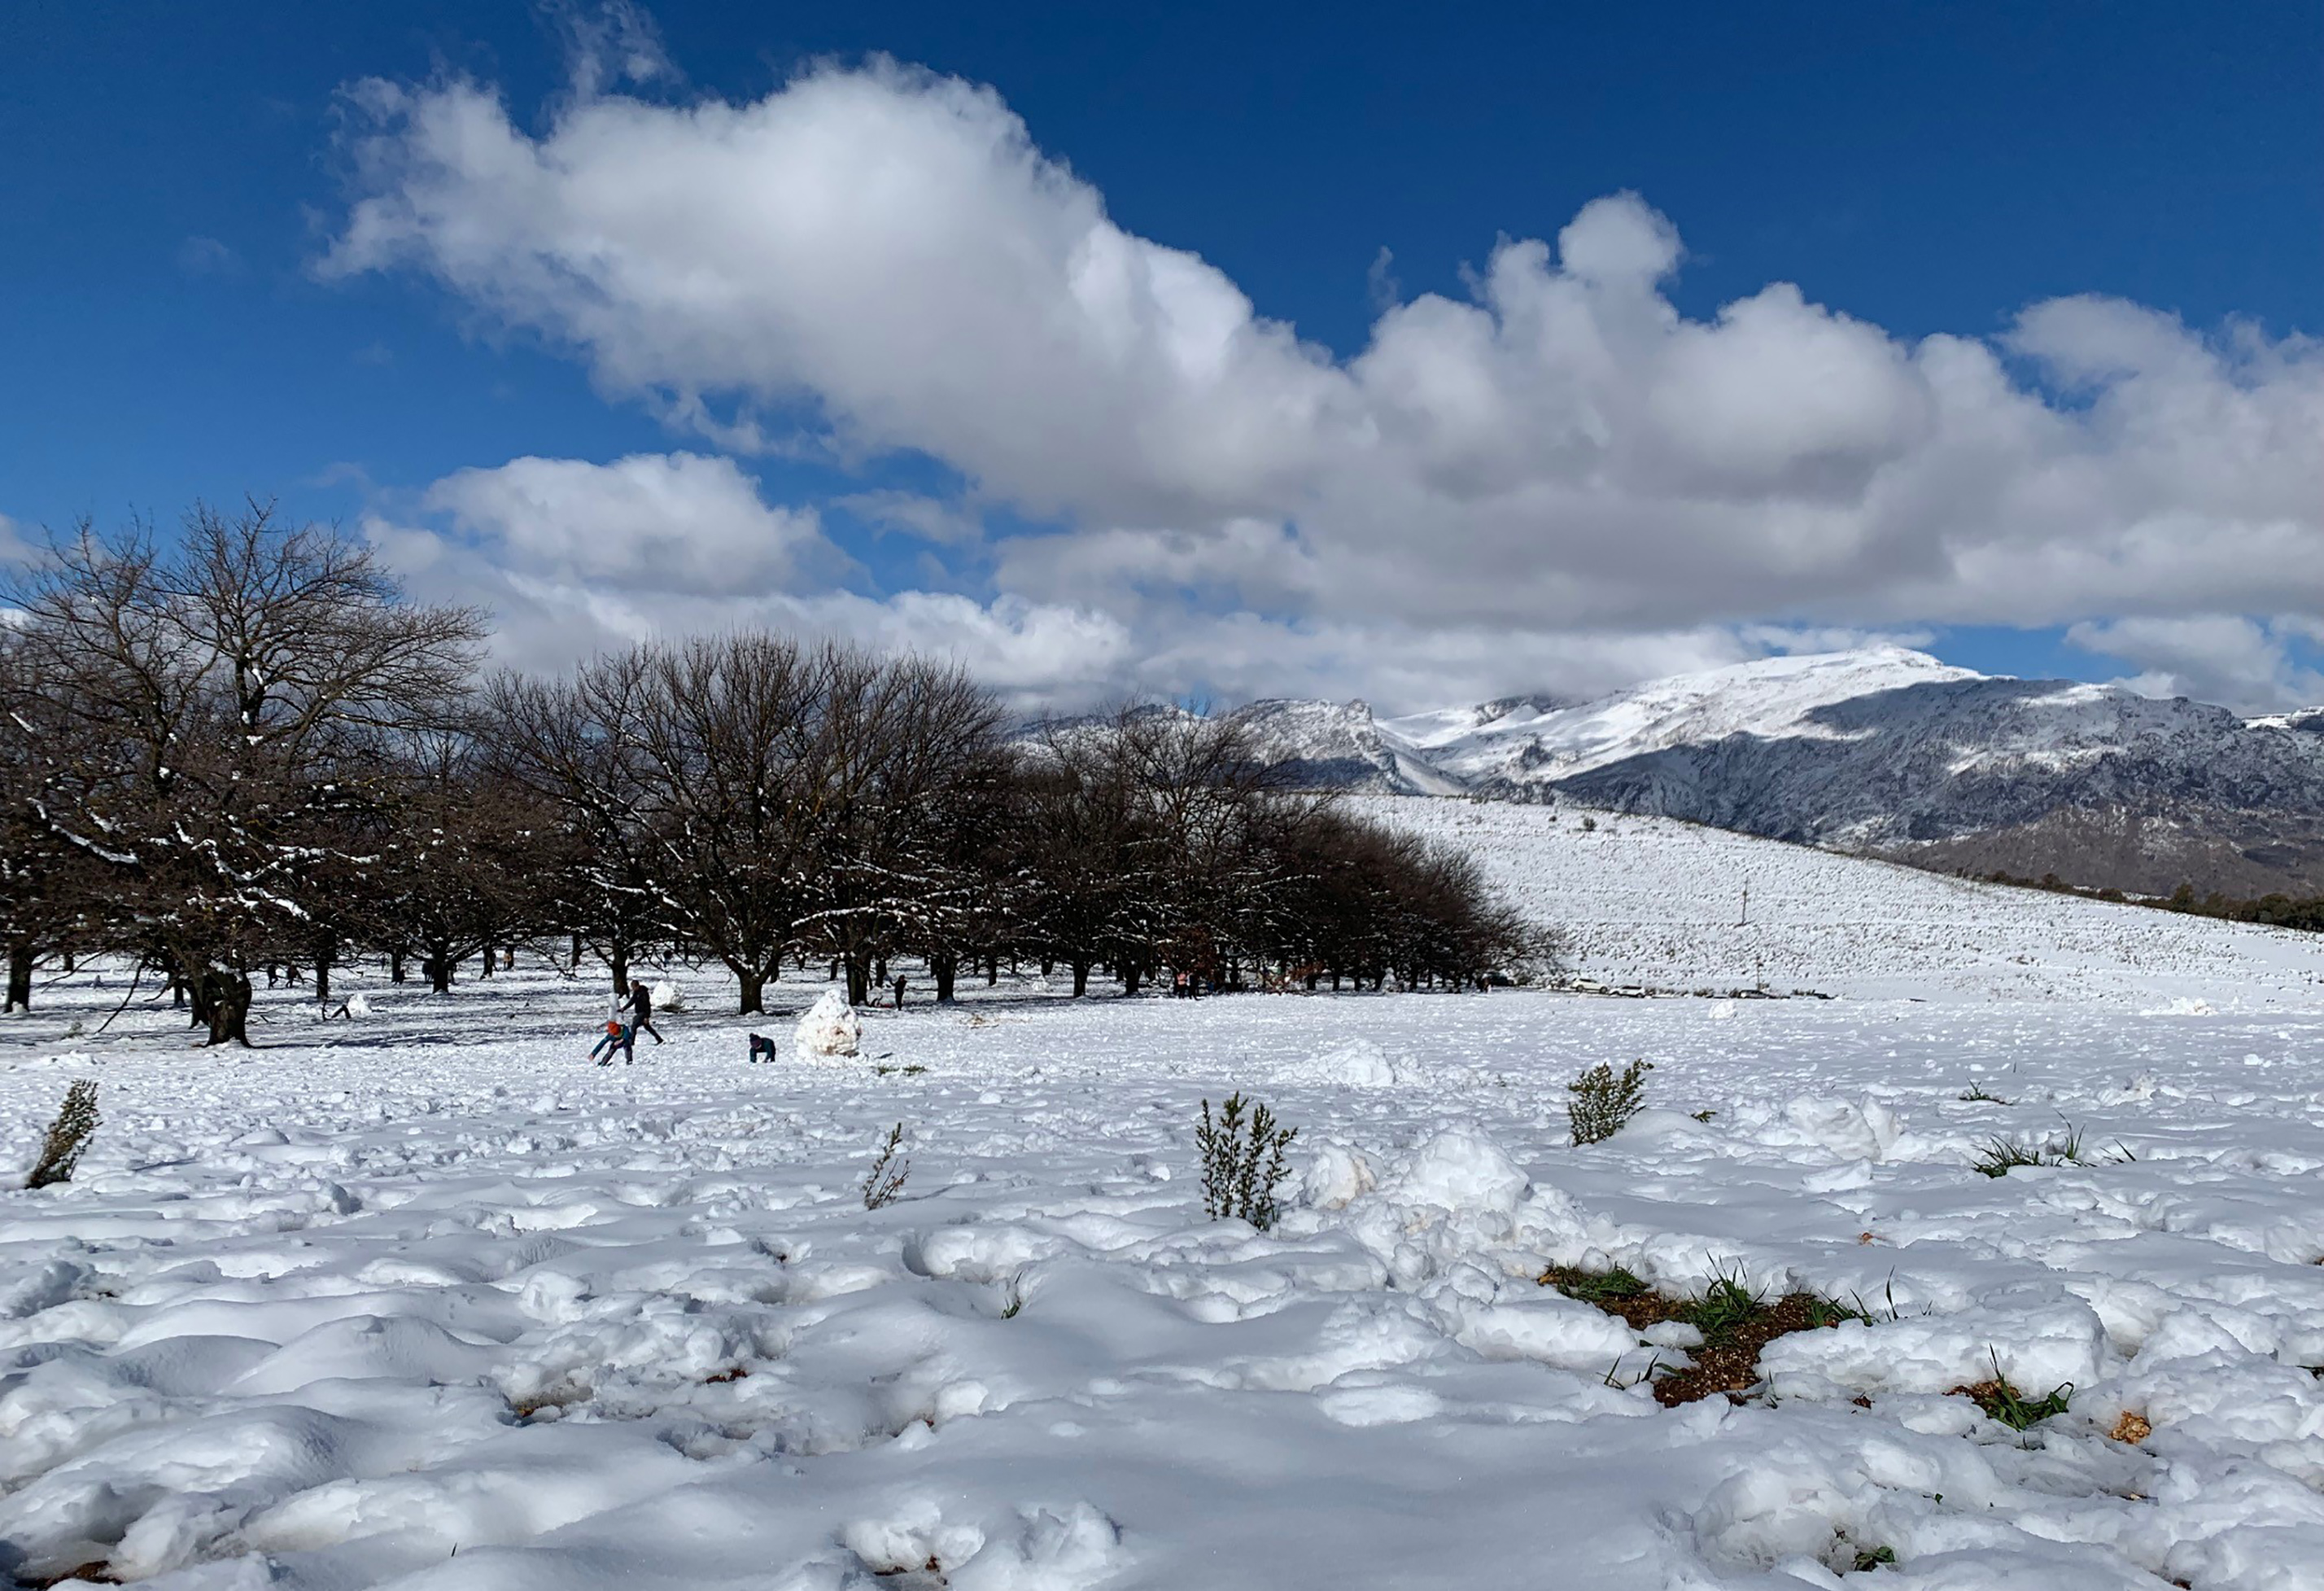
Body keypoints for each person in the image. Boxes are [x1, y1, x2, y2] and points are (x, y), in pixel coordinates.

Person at [627, 979, 664, 1045]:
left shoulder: (643, 993)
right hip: (639, 1012)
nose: (633, 989)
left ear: (637, 986)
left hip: (643, 1013)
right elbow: (632, 1001)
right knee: (647, 1027)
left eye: (634, 987)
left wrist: (647, 1017)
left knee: (634, 1026)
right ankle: (659, 1039)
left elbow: (647, 1005)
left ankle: (631, 1042)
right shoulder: (636, 993)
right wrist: (624, 1008)